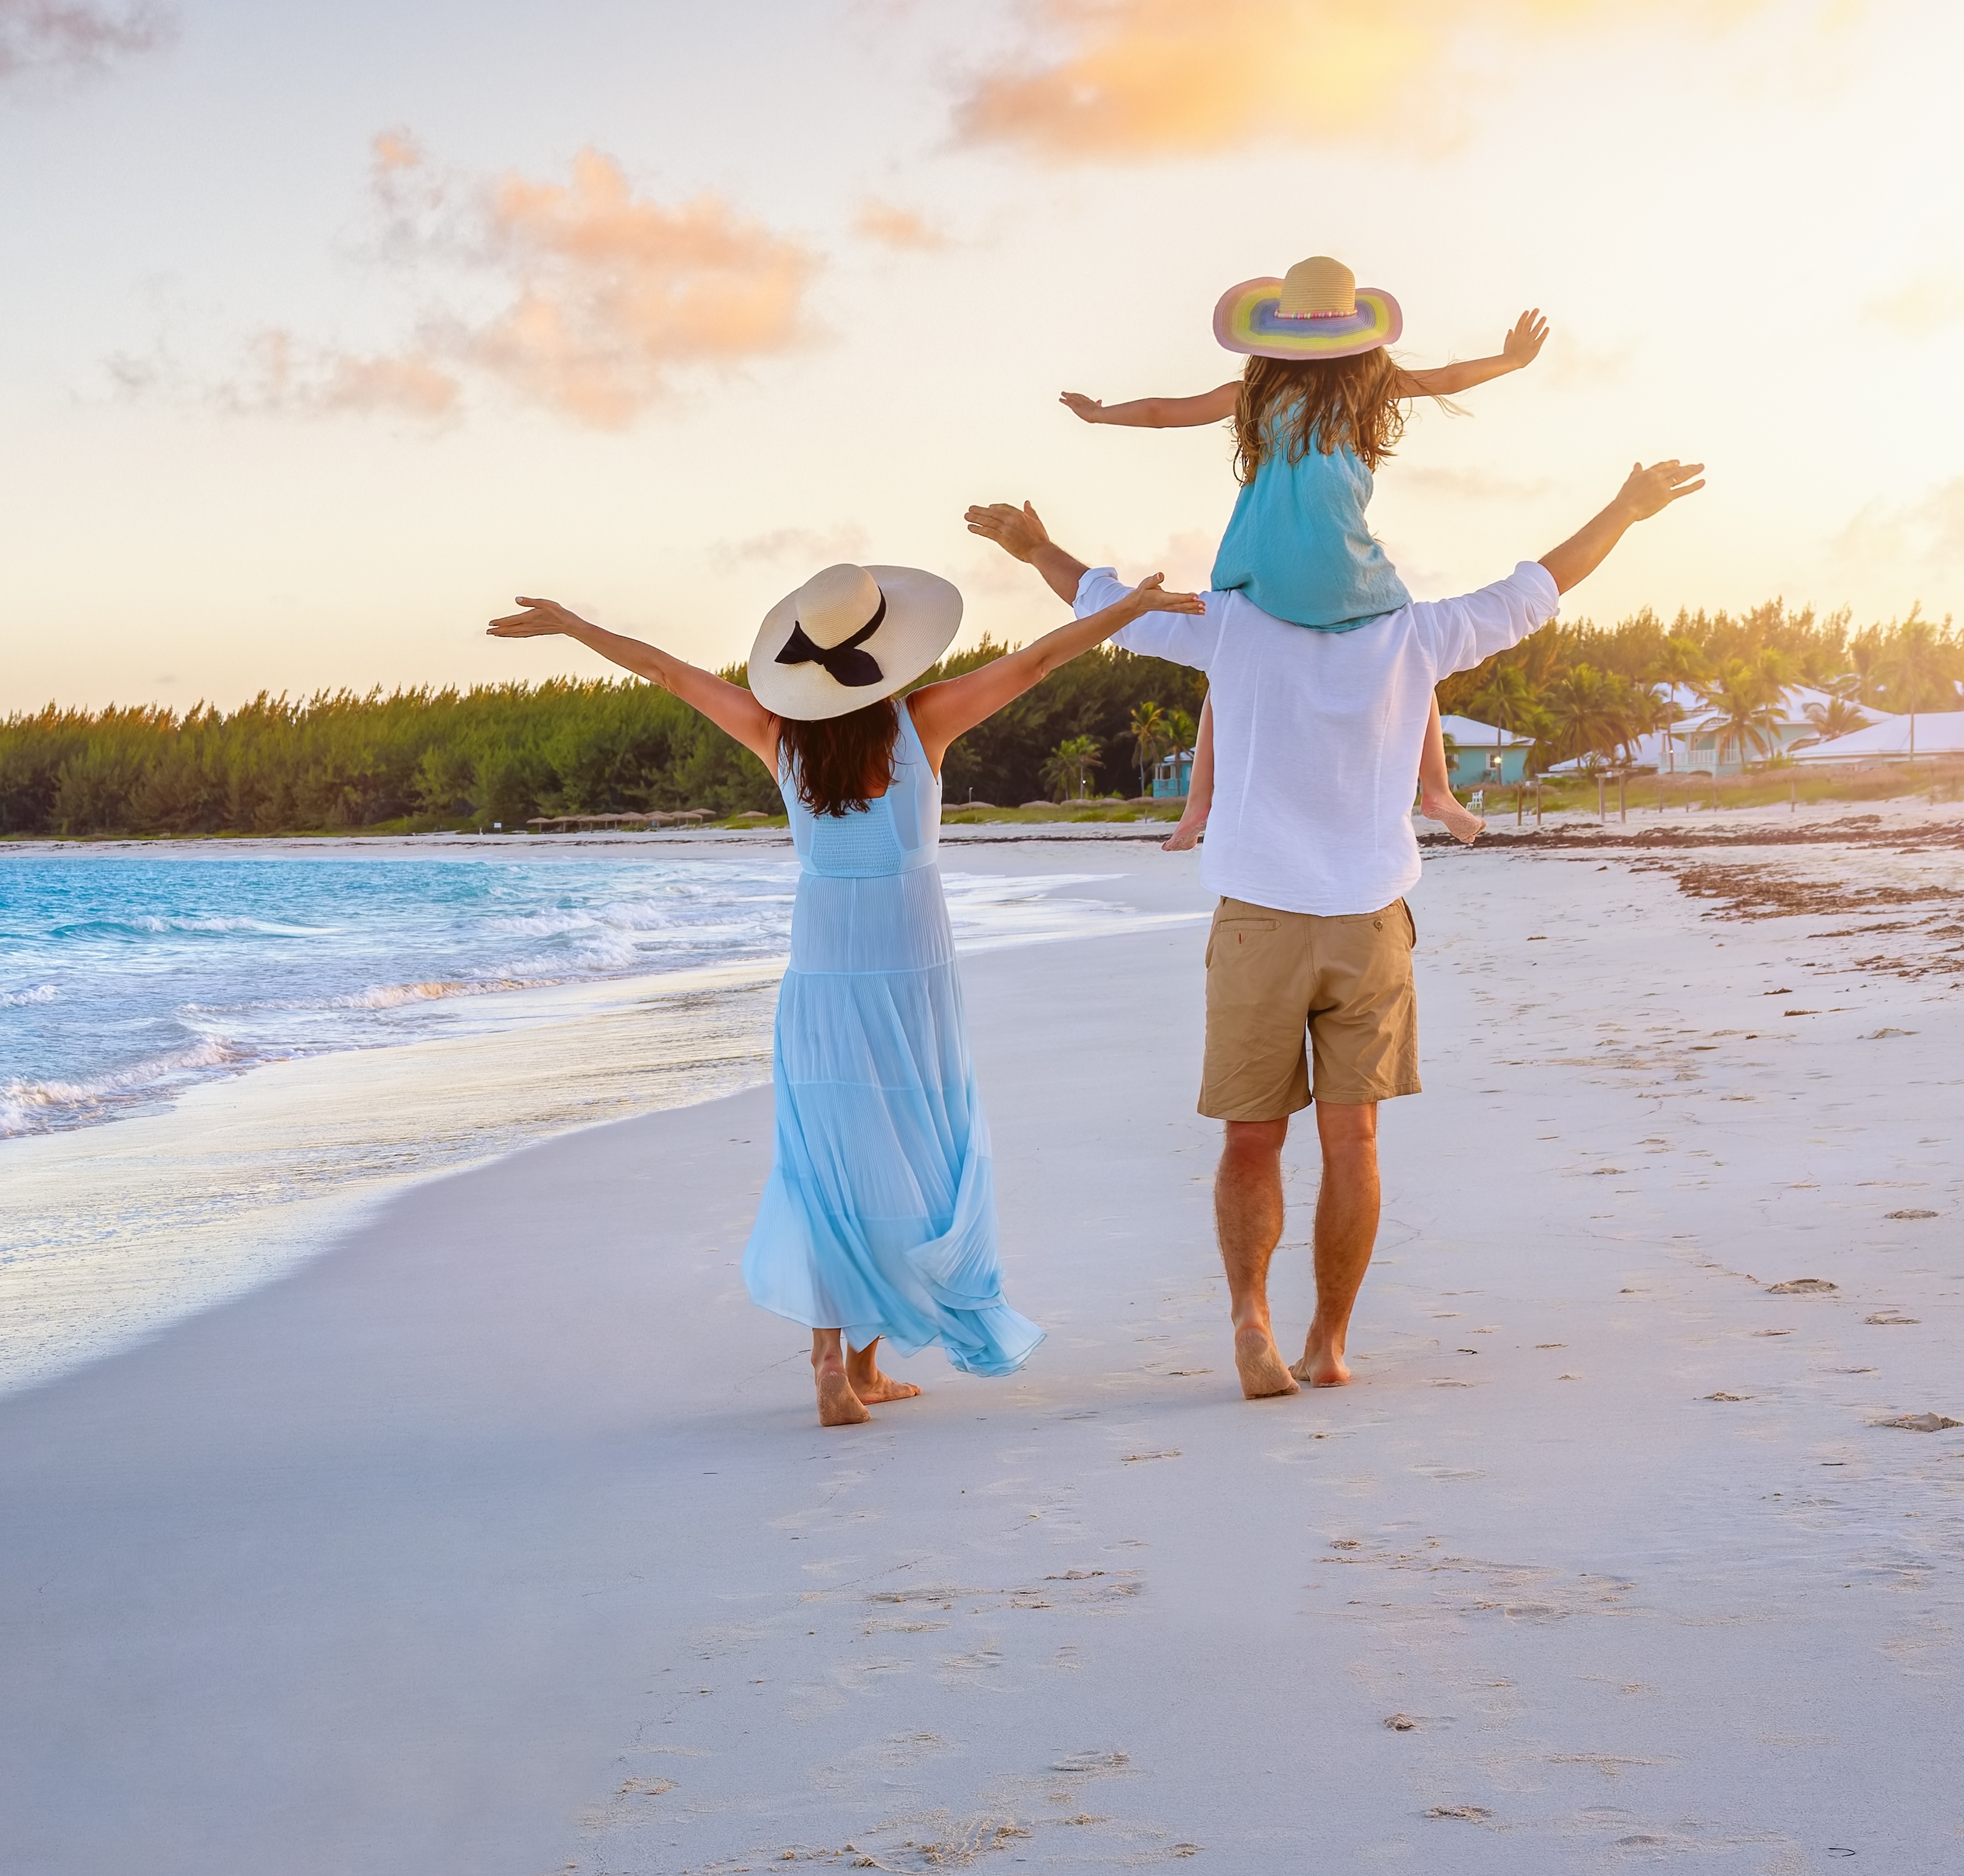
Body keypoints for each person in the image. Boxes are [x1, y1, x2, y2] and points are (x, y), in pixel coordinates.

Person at [965, 458, 1706, 1401]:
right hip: (1368, 922)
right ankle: (1328, 1342)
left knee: (1250, 1140)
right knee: (1353, 1141)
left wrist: (1034, 548)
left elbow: (1104, 603)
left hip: (1257, 920)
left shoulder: (1229, 624)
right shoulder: (1416, 633)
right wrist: (1625, 508)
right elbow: (1538, 589)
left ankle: (1251, 1317)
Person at [487, 558, 1202, 1426]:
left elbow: (667, 673)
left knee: (827, 1157)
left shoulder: (776, 734)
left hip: (824, 964)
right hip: (910, 962)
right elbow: (1039, 661)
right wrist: (1129, 609)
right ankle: (860, 1365)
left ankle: (835, 1361)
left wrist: (573, 626)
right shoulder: (923, 722)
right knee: (906, 1149)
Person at [1058, 256, 1549, 851]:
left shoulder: (1253, 395)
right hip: (1344, 572)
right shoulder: (1364, 389)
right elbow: (1447, 379)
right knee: (1411, 653)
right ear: (1354, 337)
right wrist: (1510, 361)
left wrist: (1100, 415)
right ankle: (1438, 791)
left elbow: (1164, 414)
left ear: (1275, 337)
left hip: (1259, 570)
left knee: (1224, 665)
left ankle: (1197, 806)